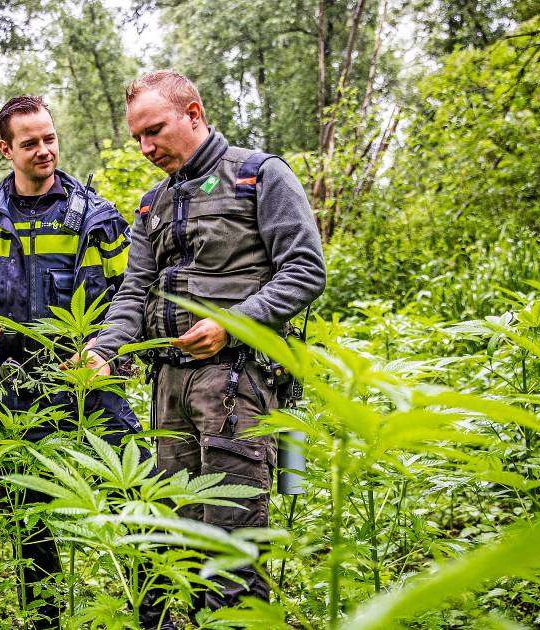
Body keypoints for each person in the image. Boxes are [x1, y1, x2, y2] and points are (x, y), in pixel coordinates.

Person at [80, 70, 326, 612]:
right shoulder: (151, 204)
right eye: (138, 137)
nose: (146, 147)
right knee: (182, 546)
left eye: (155, 130)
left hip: (235, 386)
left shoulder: (260, 175)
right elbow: (133, 293)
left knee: (233, 550)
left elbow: (306, 270)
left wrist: (232, 323)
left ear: (193, 113)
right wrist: (103, 347)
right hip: (168, 389)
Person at [0, 95, 171, 630]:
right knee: (27, 517)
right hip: (10, 390)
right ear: (5, 149)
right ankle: (43, 620)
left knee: (135, 498)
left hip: (85, 385)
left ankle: (153, 619)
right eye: (30, 143)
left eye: (50, 138)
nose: (44, 150)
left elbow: (129, 296)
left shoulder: (96, 214)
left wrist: (108, 356)